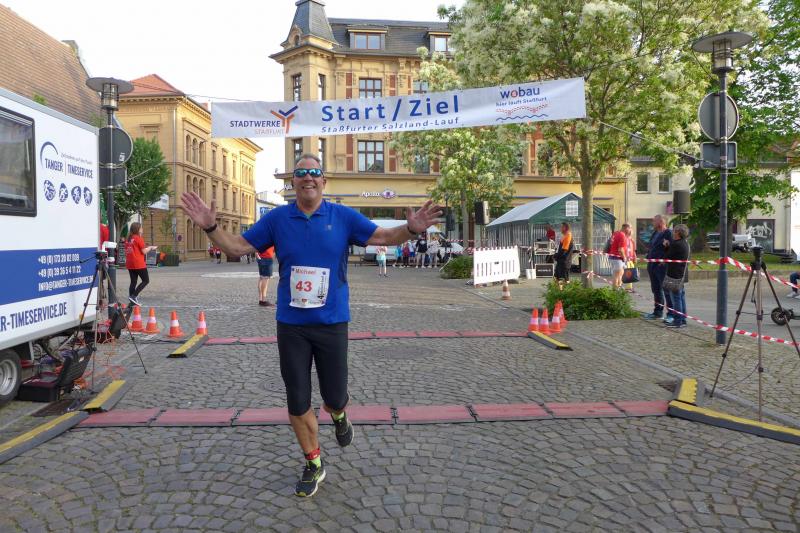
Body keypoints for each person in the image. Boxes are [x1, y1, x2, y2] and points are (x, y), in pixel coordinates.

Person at [181, 153, 441, 498]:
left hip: (332, 322)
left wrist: (411, 229)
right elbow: (237, 246)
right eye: (301, 172)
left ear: (323, 180)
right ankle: (313, 462)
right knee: (297, 398)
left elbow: (382, 236)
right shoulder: (277, 219)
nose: (308, 177)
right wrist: (210, 227)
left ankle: (339, 414)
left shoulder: (342, 216)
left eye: (314, 172)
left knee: (334, 397)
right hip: (292, 324)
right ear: (293, 182)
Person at [643, 215, 673, 321]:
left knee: (666, 289)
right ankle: (657, 312)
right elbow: (652, 247)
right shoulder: (655, 233)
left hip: (661, 266)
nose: (653, 223)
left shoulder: (668, 233)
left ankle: (671, 314)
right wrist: (648, 256)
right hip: (652, 264)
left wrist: (664, 259)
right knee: (656, 289)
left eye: (654, 221)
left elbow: (671, 248)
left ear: (661, 222)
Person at [662, 224, 690, 328]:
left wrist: (666, 246)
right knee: (681, 297)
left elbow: (667, 257)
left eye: (674, 231)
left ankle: (678, 321)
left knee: (676, 298)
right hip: (682, 274)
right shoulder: (685, 243)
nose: (673, 233)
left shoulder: (676, 244)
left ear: (678, 232)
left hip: (674, 275)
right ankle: (682, 320)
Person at [124, 222, 157, 305]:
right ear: (138, 229)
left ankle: (131, 300)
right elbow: (144, 251)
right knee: (146, 280)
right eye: (141, 228)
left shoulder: (128, 239)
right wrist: (150, 247)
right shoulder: (138, 238)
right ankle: (134, 296)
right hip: (138, 263)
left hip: (130, 263)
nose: (142, 229)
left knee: (133, 282)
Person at [609, 224, 630, 289]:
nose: (630, 230)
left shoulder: (615, 233)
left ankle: (618, 289)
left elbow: (611, 244)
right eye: (630, 228)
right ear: (626, 228)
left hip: (613, 257)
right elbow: (620, 249)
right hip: (618, 258)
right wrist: (624, 258)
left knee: (619, 275)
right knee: (617, 276)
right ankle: (615, 291)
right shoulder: (622, 235)